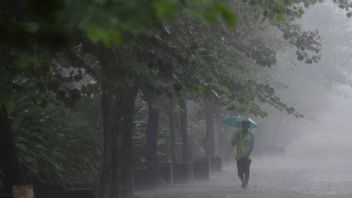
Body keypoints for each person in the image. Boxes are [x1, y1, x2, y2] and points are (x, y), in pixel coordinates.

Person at [231, 120, 254, 189]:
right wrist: (235, 136)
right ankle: (243, 182)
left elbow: (252, 146)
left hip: (247, 156)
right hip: (239, 156)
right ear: (242, 127)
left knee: (247, 170)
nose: (246, 128)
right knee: (239, 172)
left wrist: (248, 153)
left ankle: (245, 184)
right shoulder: (237, 134)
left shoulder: (251, 135)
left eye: (248, 126)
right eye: (245, 126)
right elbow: (233, 143)